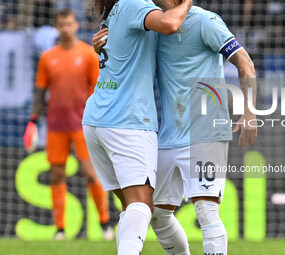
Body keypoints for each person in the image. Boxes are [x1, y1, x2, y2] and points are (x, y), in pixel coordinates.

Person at [94, 1, 257, 254]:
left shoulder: (205, 21)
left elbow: (245, 62)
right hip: (168, 135)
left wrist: (249, 111)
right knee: (156, 214)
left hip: (206, 133)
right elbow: (126, 50)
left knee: (206, 210)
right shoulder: (155, 26)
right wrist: (104, 43)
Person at [83, 0, 192, 254]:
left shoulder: (116, 9)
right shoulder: (134, 3)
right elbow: (170, 23)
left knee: (133, 210)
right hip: (127, 121)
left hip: (98, 118)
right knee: (141, 205)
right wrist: (186, 2)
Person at [23, 9, 113, 241]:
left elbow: (98, 90)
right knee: (56, 175)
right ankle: (60, 229)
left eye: (69, 23)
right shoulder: (47, 57)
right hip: (55, 126)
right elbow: (40, 91)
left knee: (91, 174)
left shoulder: (87, 54)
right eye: (61, 24)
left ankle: (105, 223)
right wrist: (33, 121)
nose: (65, 28)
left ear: (75, 25)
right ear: (56, 26)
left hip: (83, 124)